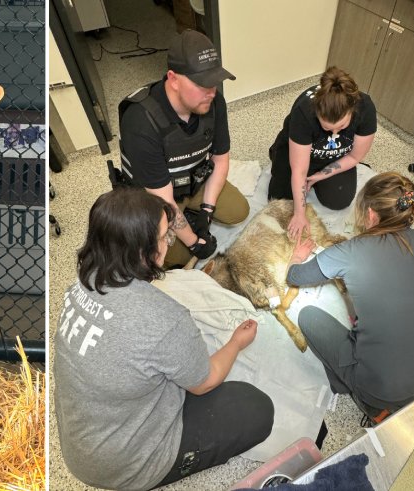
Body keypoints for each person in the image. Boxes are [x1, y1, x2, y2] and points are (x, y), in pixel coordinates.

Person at [54, 187, 273, 491]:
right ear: (142, 252)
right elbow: (205, 382)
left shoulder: (82, 281)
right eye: (164, 237)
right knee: (256, 409)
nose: (169, 244)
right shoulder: (165, 319)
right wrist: (236, 342)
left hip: (81, 447)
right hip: (126, 466)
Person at [287, 172, 414, 423]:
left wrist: (296, 258)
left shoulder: (349, 251)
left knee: (308, 316)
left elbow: (295, 277)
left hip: (381, 391)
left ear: (370, 215)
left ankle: (366, 401)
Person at [118, 29, 249, 268]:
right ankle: (185, 220)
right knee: (175, 257)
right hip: (156, 198)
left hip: (193, 181)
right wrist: (194, 242)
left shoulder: (213, 101)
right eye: (202, 84)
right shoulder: (141, 122)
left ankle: (193, 211)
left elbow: (220, 159)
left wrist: (208, 209)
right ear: (174, 79)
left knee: (239, 211)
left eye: (214, 82)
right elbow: (164, 200)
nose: (212, 91)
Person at [268, 66, 377, 240]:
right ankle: (277, 154)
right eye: (327, 127)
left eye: (341, 127)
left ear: (352, 110)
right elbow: (299, 171)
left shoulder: (365, 108)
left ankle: (317, 180)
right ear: (317, 112)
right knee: (280, 206)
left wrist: (319, 176)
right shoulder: (304, 111)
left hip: (334, 158)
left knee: (339, 201)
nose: (334, 133)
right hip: (298, 155)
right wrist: (299, 214)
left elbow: (355, 156)